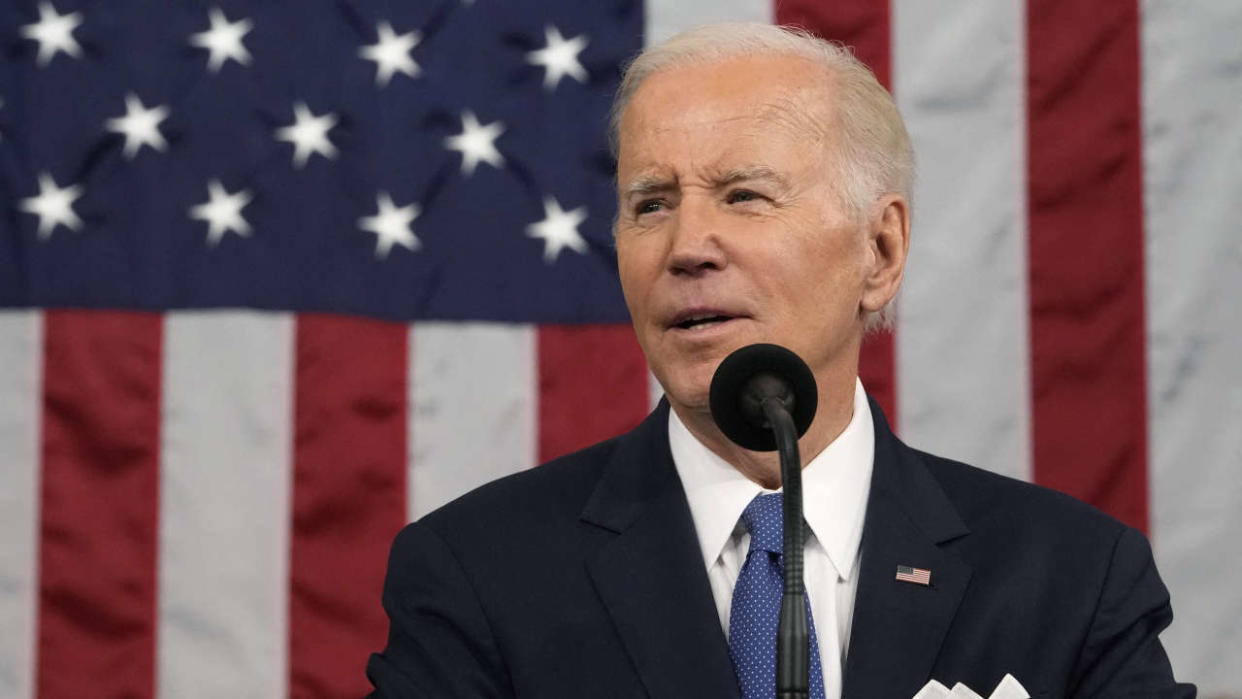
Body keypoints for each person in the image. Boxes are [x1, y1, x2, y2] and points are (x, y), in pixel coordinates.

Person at [367, 23, 1194, 698]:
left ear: (880, 249)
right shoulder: (477, 572)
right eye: (650, 204)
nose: (687, 246)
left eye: (745, 196)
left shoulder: (1071, 580)